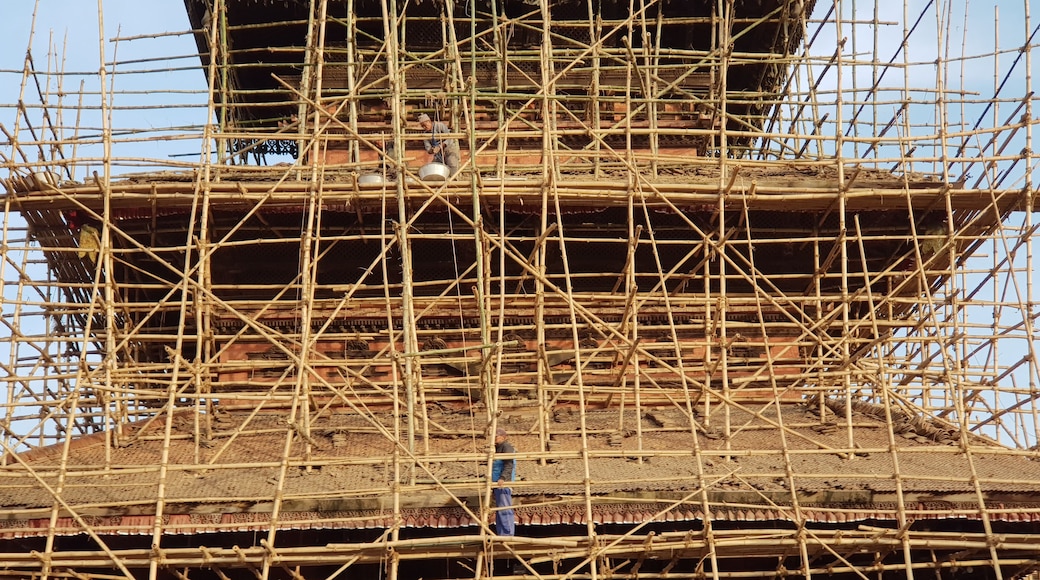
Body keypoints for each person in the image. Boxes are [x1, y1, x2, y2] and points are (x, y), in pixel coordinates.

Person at [491, 427, 516, 537]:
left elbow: (509, 464)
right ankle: (501, 533)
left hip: (503, 483)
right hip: (497, 483)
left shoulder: (506, 447)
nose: (494, 439)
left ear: (503, 437)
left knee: (504, 508)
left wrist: (503, 477)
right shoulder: (496, 448)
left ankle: (507, 533)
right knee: (500, 509)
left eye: (496, 437)